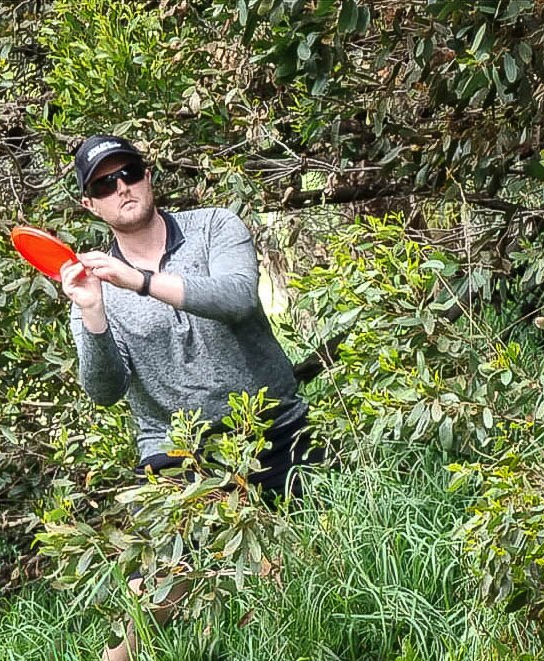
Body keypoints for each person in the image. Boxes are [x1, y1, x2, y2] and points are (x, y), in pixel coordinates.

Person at [60, 135, 321, 661]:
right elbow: (106, 391)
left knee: (300, 572)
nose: (122, 188)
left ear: (147, 176)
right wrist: (92, 313)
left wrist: (138, 281)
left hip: (272, 425)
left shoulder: (214, 226)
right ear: (91, 204)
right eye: (105, 184)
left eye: (128, 172)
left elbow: (236, 297)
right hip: (177, 447)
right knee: (163, 589)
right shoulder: (93, 281)